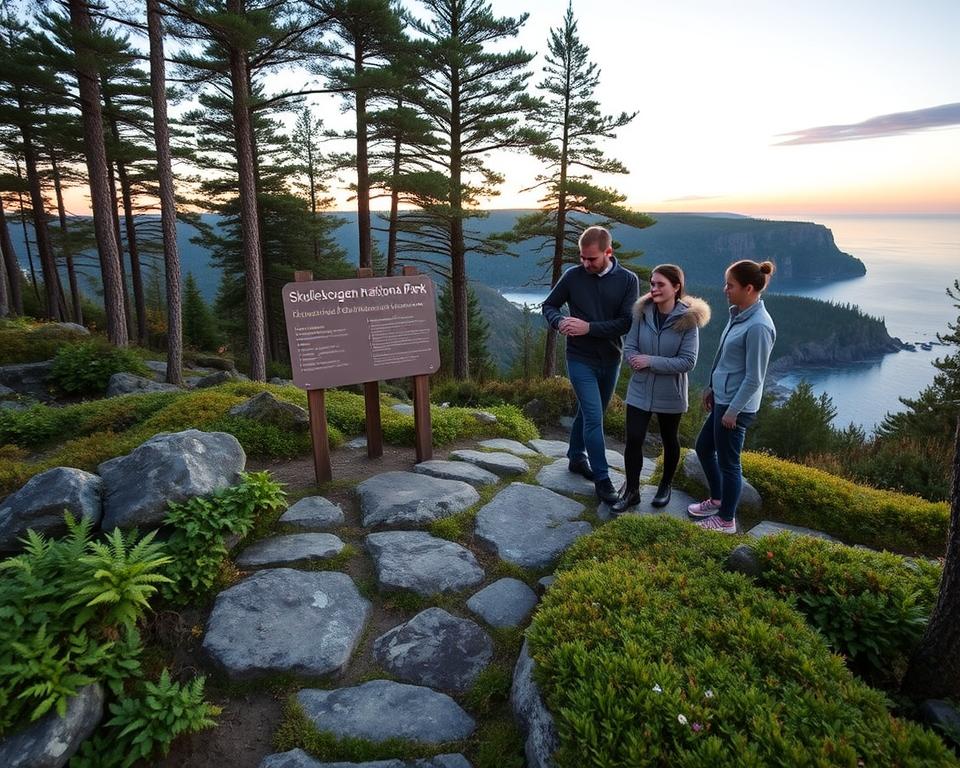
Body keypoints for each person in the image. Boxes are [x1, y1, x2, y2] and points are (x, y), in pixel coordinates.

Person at [542, 225, 639, 505]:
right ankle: (602, 478)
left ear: (609, 252)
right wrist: (559, 321)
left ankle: (575, 457)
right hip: (579, 358)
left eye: (592, 259)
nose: (585, 263)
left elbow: (626, 322)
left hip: (611, 359)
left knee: (588, 413)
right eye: (582, 258)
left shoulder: (628, 280)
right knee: (595, 417)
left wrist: (588, 328)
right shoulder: (573, 276)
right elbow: (549, 306)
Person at [612, 265, 710, 514]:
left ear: (676, 287)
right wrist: (634, 358)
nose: (653, 289)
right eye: (652, 284)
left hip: (671, 393)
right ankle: (632, 491)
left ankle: (665, 485)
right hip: (640, 389)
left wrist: (649, 362)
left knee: (669, 439)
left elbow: (688, 362)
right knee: (633, 439)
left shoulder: (688, 320)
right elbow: (630, 347)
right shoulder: (642, 312)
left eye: (660, 284)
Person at [687, 259, 776, 533]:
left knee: (729, 464)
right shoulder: (738, 313)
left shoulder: (759, 326)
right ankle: (717, 499)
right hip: (724, 399)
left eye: (731, 285)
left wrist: (733, 411)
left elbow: (754, 377)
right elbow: (724, 356)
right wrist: (712, 387)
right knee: (703, 448)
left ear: (749, 288)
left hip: (735, 409)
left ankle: (726, 520)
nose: (725, 289)